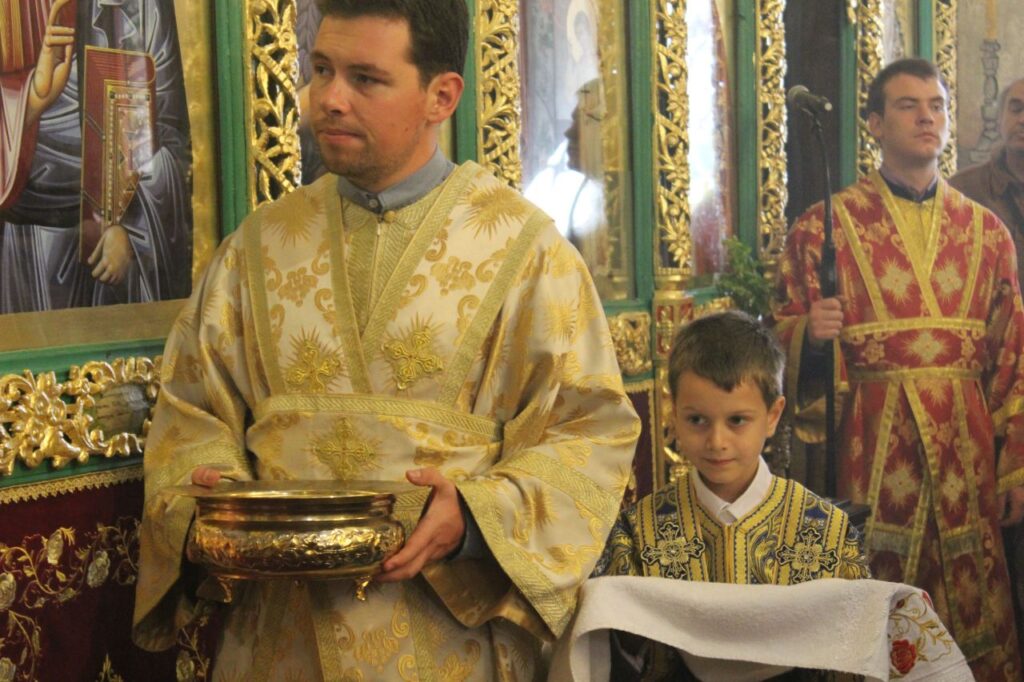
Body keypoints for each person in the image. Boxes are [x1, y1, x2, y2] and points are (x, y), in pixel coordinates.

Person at [131, 0, 641, 679]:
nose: (329, 99)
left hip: (446, 644)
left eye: (365, 78)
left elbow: (590, 431)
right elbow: (192, 412)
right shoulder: (256, 247)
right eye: (321, 69)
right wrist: (218, 500)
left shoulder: (527, 254)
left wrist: (474, 517)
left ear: (441, 96)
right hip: (279, 642)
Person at [772, 57, 1024, 679]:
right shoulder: (823, 228)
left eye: (937, 106)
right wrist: (808, 335)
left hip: (967, 452)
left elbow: (1012, 358)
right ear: (876, 124)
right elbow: (777, 342)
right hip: (870, 449)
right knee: (875, 600)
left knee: (969, 608)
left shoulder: (988, 233)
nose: (927, 118)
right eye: (909, 106)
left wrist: (1016, 466)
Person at [592, 310, 869, 680]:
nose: (717, 442)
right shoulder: (639, 531)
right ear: (673, 412)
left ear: (773, 416)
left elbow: (850, 659)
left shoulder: (827, 531)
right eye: (697, 420)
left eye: (737, 420)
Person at [0, 0, 193, 312]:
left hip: (113, 238)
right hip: (24, 237)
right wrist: (34, 98)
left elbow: (169, 132)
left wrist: (133, 228)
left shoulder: (144, 7)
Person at [950, 75, 1024, 662]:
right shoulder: (965, 195)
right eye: (1016, 106)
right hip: (993, 386)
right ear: (998, 117)